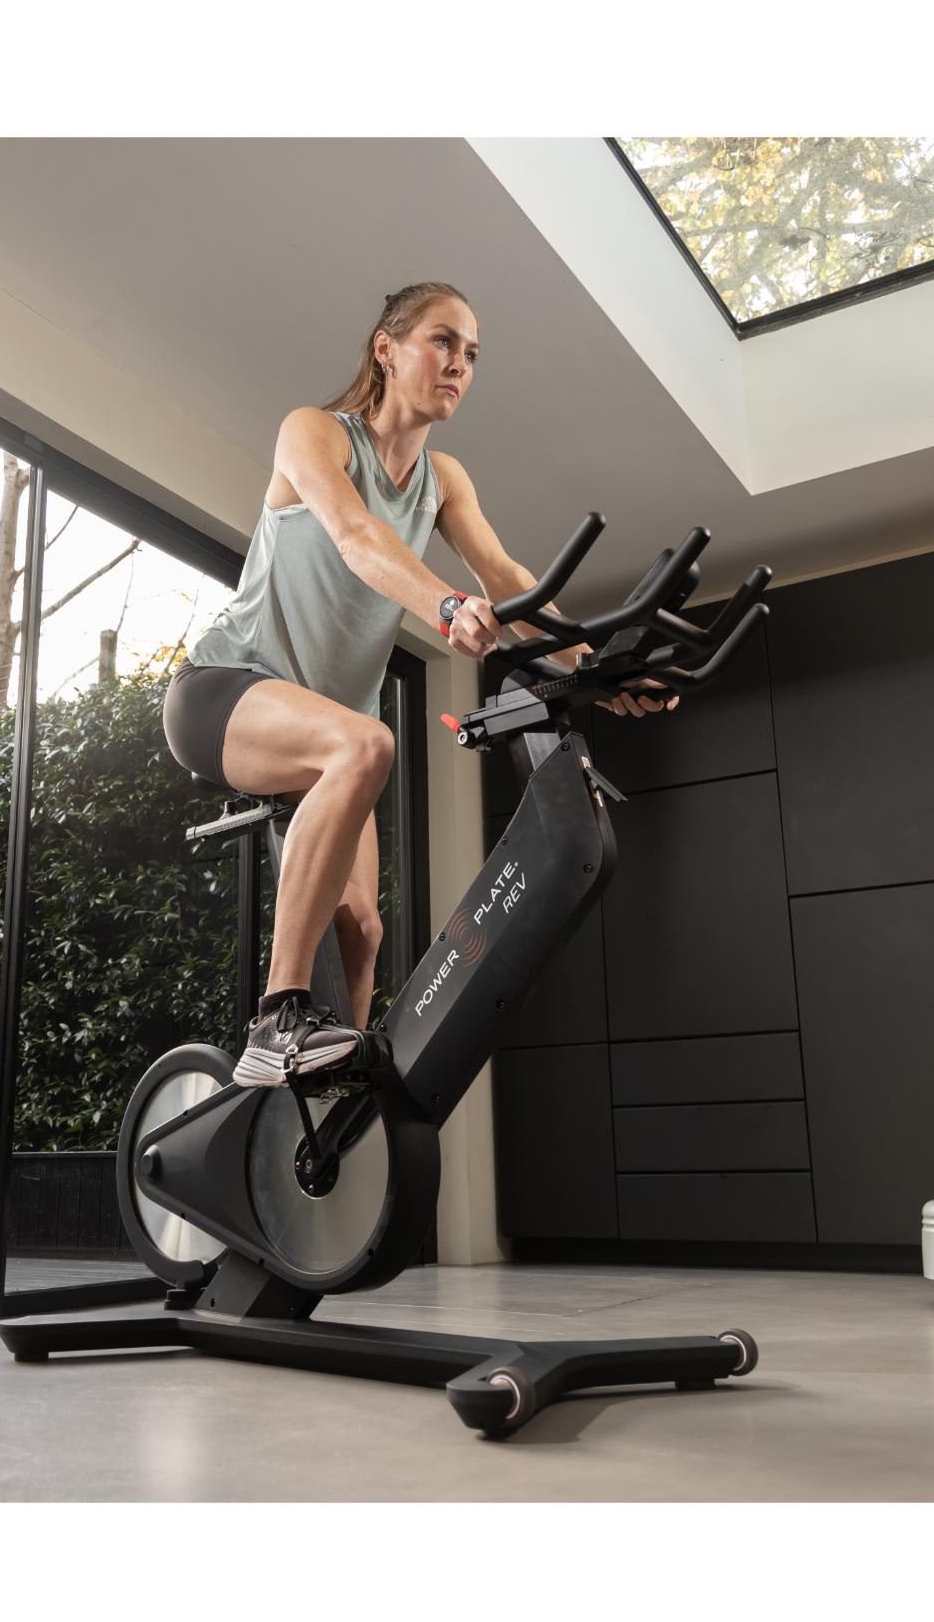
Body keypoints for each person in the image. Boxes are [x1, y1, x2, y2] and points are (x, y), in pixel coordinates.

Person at [162, 281, 676, 1087]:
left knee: (363, 929)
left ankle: (330, 1099)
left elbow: (505, 577)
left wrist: (596, 670)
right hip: (224, 693)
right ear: (386, 349)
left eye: (471, 353)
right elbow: (355, 534)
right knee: (367, 744)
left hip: (329, 733)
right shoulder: (315, 434)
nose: (459, 364)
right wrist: (442, 606)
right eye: (442, 341)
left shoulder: (444, 479)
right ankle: (277, 1020)